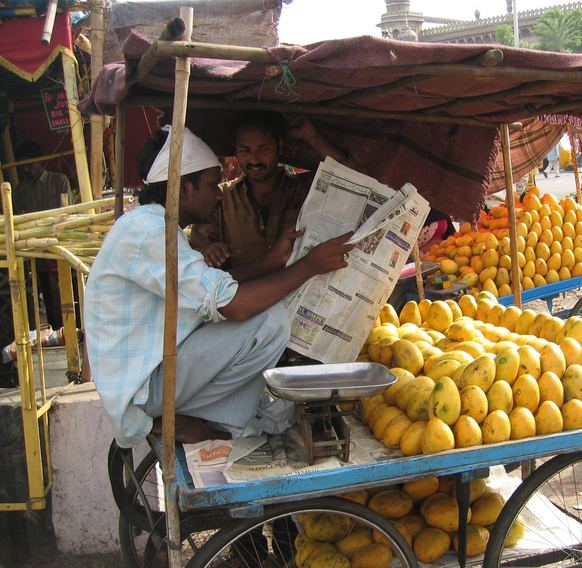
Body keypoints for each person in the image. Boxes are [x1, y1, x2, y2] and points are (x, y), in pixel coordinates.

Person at [84, 127, 354, 448]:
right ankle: (178, 420)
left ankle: (210, 418)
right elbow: (234, 304)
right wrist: (309, 266)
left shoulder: (154, 227)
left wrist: (271, 261)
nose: (219, 194)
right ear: (185, 187)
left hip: (155, 376)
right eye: (212, 185)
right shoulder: (149, 232)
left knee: (270, 405)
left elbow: (215, 288)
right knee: (269, 322)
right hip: (145, 389)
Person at [190, 112, 346, 282]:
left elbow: (349, 174)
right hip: (243, 302)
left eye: (264, 149)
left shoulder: (304, 189)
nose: (254, 159)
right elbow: (195, 258)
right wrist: (209, 251)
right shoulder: (220, 199)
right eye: (245, 150)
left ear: (279, 147)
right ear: (235, 150)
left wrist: (311, 136)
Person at [13, 141, 73, 329]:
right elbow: (19, 221)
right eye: (23, 165)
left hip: (61, 247)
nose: (27, 169)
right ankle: (56, 332)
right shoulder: (19, 191)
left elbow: (68, 212)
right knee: (46, 295)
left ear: (39, 162)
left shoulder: (59, 180)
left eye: (30, 164)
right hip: (36, 251)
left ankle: (73, 330)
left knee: (68, 295)